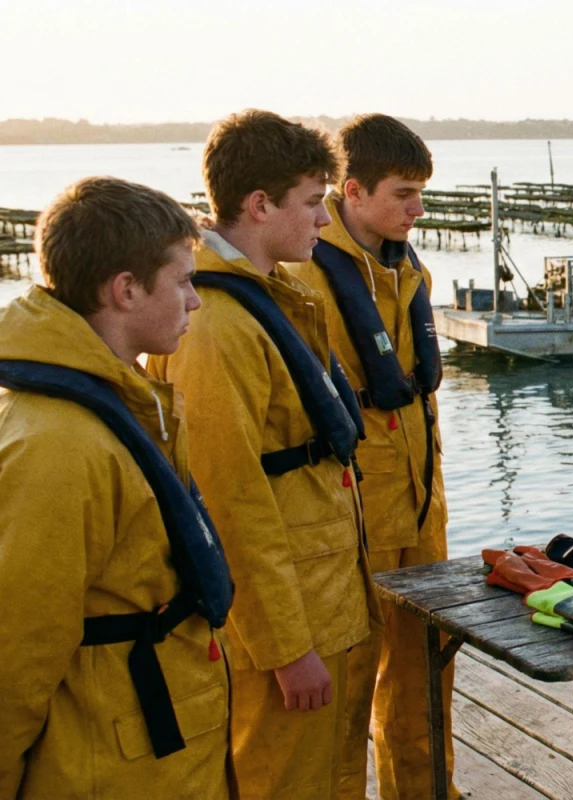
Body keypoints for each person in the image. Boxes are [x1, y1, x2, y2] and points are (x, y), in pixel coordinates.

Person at [150, 110, 381, 800]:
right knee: (282, 783)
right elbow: (229, 498)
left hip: (327, 601)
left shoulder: (272, 296)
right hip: (287, 628)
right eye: (312, 203)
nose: (323, 220)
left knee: (333, 776)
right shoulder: (217, 328)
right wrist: (286, 648)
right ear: (259, 204)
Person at [0, 177, 228, 798]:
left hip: (158, 746)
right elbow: (15, 654)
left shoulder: (123, 398)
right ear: (125, 289)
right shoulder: (59, 446)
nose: (196, 302)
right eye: (182, 281)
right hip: (112, 766)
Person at [285, 113, 455, 800]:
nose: (419, 210)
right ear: (352, 191)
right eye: (404, 194)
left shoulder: (410, 267)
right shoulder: (305, 276)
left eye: (423, 194)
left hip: (422, 504)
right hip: (353, 515)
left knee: (427, 667)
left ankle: (426, 790)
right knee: (354, 681)